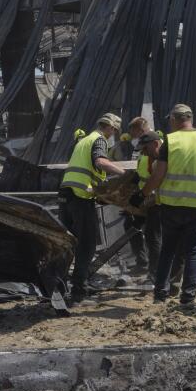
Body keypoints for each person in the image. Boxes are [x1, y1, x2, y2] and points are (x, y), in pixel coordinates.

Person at [141, 104, 196, 306]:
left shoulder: (170, 140)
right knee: (193, 251)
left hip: (172, 205)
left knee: (168, 249)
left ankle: (160, 295)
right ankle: (188, 297)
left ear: (175, 119)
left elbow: (158, 175)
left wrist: (142, 194)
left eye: (170, 120)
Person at [58, 112, 124, 302]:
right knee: (87, 243)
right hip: (80, 197)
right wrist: (124, 173)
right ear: (110, 127)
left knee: (68, 243)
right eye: (114, 131)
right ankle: (79, 289)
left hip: (66, 195)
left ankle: (59, 285)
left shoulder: (84, 140)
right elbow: (101, 162)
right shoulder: (99, 140)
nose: (113, 135)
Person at [124, 116, 159, 273]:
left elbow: (156, 174)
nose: (132, 137)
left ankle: (153, 269)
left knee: (153, 235)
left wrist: (142, 196)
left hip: (152, 197)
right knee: (131, 225)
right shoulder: (142, 148)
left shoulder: (154, 144)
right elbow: (141, 172)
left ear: (141, 130)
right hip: (143, 195)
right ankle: (143, 262)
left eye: (133, 133)